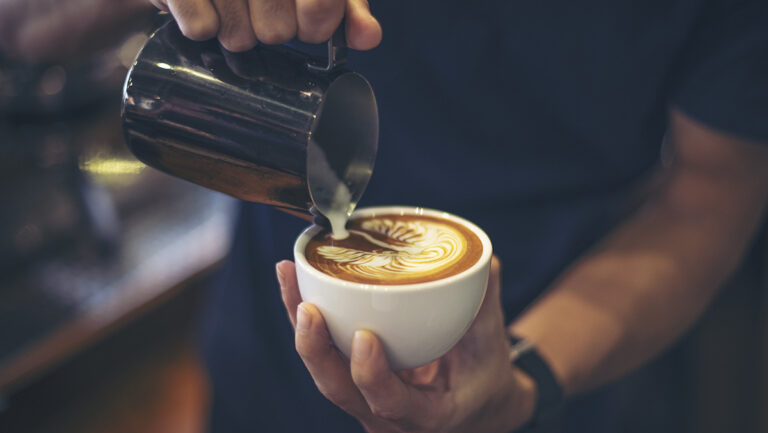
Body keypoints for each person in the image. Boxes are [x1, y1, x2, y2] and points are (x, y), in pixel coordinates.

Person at [4, 1, 766, 431]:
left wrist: (526, 379)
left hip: (568, 366)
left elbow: (715, 189)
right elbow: (24, 26)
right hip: (270, 382)